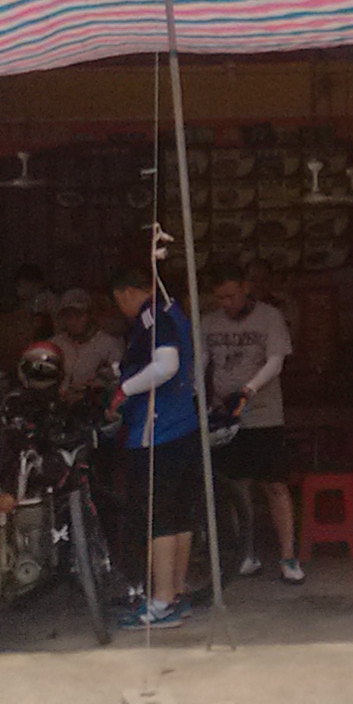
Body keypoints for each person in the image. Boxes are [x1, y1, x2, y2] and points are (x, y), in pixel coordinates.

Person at [103, 251, 202, 629]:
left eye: (119, 302)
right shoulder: (175, 312)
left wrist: (124, 390)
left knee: (158, 518)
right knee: (179, 516)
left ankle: (160, 603)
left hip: (158, 431)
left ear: (128, 293)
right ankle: (176, 593)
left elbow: (166, 365)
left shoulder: (152, 317)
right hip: (184, 426)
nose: (122, 310)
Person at [201, 269, 300, 585]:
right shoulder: (209, 322)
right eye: (220, 297)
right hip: (226, 418)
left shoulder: (270, 317)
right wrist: (199, 396)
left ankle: (288, 556)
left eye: (231, 295)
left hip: (264, 414)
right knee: (237, 486)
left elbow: (276, 361)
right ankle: (246, 552)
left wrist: (249, 389)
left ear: (245, 288)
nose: (226, 303)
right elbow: (201, 361)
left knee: (275, 485)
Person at [53, 288, 123, 402]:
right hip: (57, 404)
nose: (74, 321)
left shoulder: (108, 343)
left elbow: (118, 379)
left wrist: (97, 386)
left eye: (79, 315)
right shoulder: (56, 343)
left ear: (90, 315)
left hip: (93, 406)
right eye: (68, 316)